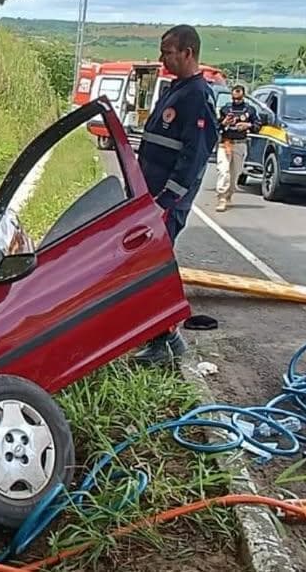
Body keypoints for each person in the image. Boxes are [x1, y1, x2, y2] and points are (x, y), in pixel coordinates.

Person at [134, 24, 219, 364]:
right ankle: (165, 339)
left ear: (188, 53)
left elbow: (194, 156)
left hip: (166, 202)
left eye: (168, 52)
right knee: (151, 267)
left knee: (155, 269)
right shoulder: (175, 90)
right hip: (151, 197)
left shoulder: (197, 96)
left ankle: (164, 342)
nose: (162, 58)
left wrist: (166, 201)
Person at [216, 85, 259, 212]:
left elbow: (258, 125)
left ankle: (229, 193)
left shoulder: (250, 110)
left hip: (240, 143)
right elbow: (216, 125)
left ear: (243, 96)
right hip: (226, 143)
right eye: (234, 98)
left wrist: (248, 125)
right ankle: (221, 197)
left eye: (239, 98)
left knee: (235, 173)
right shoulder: (225, 109)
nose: (236, 101)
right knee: (223, 171)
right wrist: (224, 123)